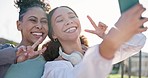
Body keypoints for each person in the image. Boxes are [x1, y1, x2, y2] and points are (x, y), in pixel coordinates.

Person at [41, 4, 148, 78]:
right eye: (60, 20)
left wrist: (105, 36)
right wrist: (108, 44)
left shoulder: (93, 53)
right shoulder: (54, 68)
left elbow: (138, 42)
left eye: (72, 16)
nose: (68, 22)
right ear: (53, 34)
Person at [2, 0, 50, 78]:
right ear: (19, 25)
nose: (39, 26)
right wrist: (14, 55)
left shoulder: (50, 64)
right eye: (33, 20)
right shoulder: (4, 54)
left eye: (44, 21)